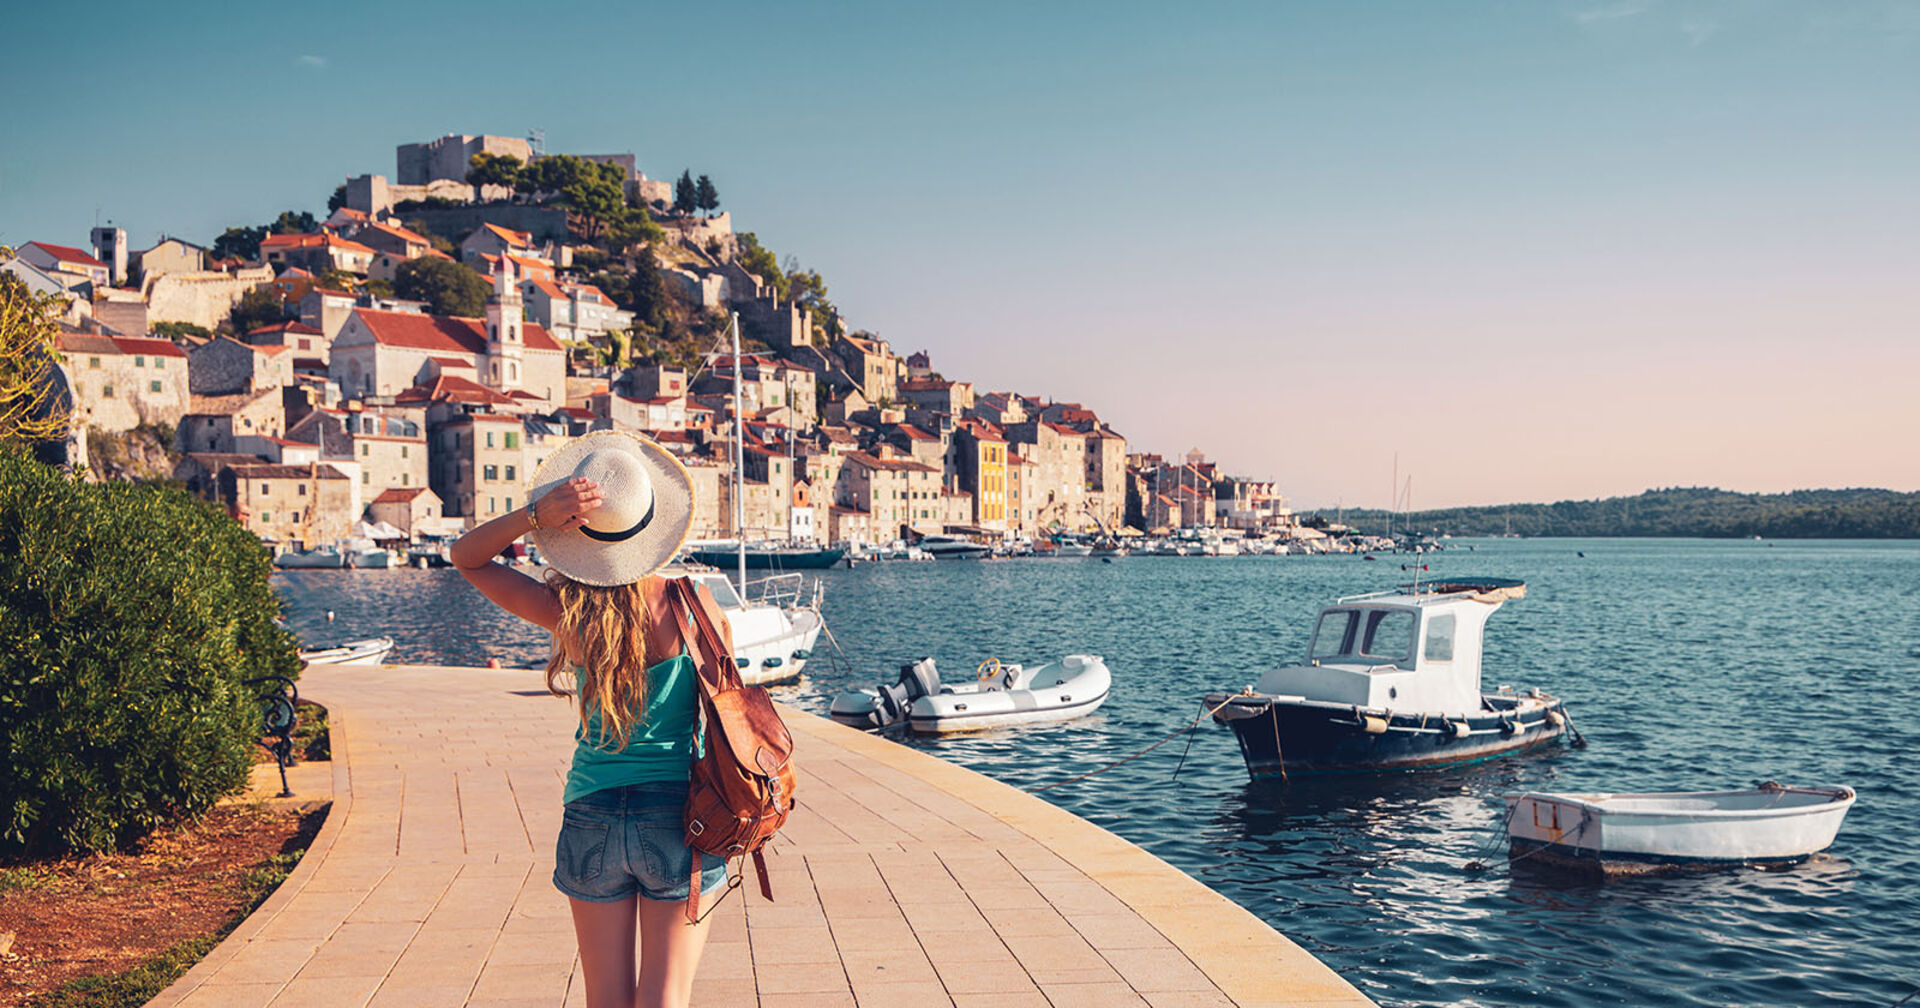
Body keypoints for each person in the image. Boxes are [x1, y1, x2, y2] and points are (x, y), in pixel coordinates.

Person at [450, 430, 728, 1008]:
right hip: (680, 816)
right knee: (666, 996)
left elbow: (466, 557)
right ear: (654, 526)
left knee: (605, 998)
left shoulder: (568, 613)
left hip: (591, 812)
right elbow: (727, 710)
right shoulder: (696, 607)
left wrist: (534, 515)